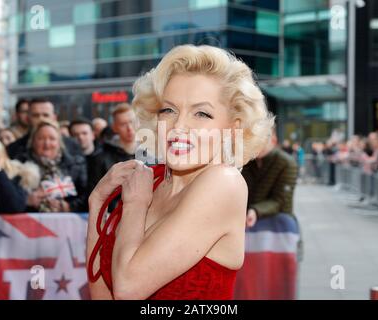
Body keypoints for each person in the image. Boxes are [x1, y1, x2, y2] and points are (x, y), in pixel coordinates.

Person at [86, 44, 274, 300]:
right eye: (169, 110)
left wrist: (135, 204)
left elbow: (128, 288)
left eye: (202, 113)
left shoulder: (224, 182)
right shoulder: (147, 182)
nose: (179, 125)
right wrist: (96, 203)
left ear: (232, 127)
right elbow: (101, 292)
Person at [20, 120, 87, 213]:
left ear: (59, 143)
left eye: (52, 139)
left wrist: (69, 206)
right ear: (33, 141)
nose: (47, 144)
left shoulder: (76, 164)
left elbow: (87, 196)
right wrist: (26, 200)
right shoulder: (20, 165)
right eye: (41, 138)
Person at [242, 131, 298, 227]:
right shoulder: (248, 161)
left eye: (260, 139)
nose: (255, 143)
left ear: (273, 140)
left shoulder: (287, 163)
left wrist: (255, 210)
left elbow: (280, 200)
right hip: (250, 225)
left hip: (278, 226)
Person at [7, 98, 82, 160]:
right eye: (36, 115)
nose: (41, 119)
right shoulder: (14, 149)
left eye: (45, 115)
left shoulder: (72, 146)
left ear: (54, 118)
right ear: (28, 118)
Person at [88, 104, 137, 192]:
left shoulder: (152, 152)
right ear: (114, 128)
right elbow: (96, 192)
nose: (129, 128)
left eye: (132, 122)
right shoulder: (101, 157)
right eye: (123, 124)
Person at [69, 118, 102, 188]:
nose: (80, 137)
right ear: (70, 137)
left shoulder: (104, 158)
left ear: (93, 135)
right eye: (75, 134)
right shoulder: (66, 162)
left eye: (84, 133)